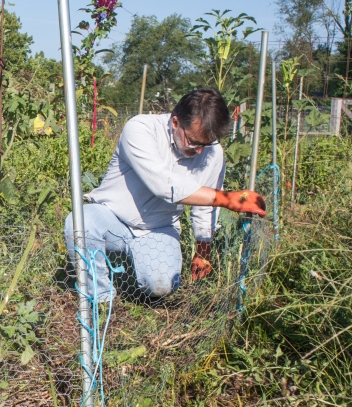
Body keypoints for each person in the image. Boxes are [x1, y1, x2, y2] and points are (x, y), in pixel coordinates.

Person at [64, 88, 266, 302]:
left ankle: (132, 274)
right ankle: (100, 299)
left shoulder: (212, 152)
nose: (199, 151)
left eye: (205, 144)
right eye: (194, 142)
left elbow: (204, 207)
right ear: (176, 122)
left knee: (162, 284)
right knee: (80, 223)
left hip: (157, 228)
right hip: (110, 217)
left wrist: (203, 251)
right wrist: (226, 199)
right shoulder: (141, 128)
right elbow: (163, 184)